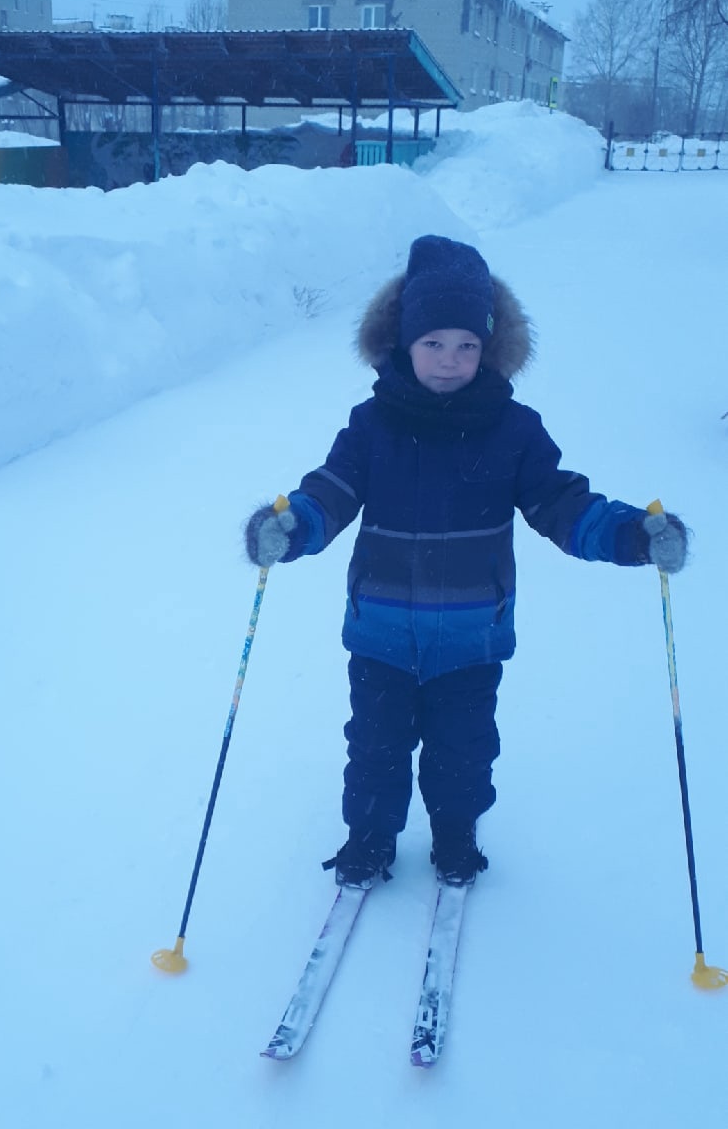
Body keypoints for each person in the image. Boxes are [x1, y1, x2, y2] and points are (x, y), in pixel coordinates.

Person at [244, 235, 688, 891]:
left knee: (463, 753)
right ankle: (367, 840)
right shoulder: (371, 425)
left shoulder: (513, 429)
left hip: (471, 637)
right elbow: (329, 492)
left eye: (465, 346)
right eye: (432, 344)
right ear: (402, 344)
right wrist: (290, 526)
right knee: (373, 750)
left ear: (488, 350)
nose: (449, 362)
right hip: (380, 635)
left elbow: (560, 502)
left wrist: (631, 535)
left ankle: (455, 837)